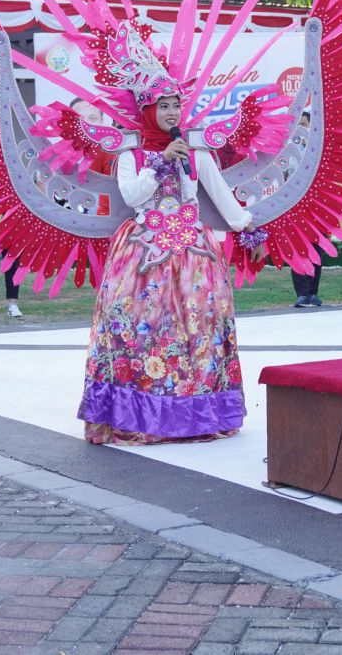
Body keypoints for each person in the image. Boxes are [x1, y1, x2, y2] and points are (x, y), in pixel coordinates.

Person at [80, 91, 261, 445]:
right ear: (148, 111)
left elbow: (221, 195)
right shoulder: (131, 154)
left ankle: (195, 417)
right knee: (137, 329)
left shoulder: (196, 150)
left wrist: (249, 228)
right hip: (143, 253)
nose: (172, 113)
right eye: (163, 107)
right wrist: (160, 161)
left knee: (198, 331)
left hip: (193, 255)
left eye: (176, 106)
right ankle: (137, 415)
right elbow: (132, 195)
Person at [289, 110, 324, 308]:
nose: (300, 128)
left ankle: (313, 292)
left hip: (315, 208)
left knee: (316, 250)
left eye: (303, 124)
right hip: (294, 207)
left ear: (310, 125)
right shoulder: (288, 150)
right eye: (297, 125)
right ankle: (301, 293)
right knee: (297, 249)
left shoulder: (316, 149)